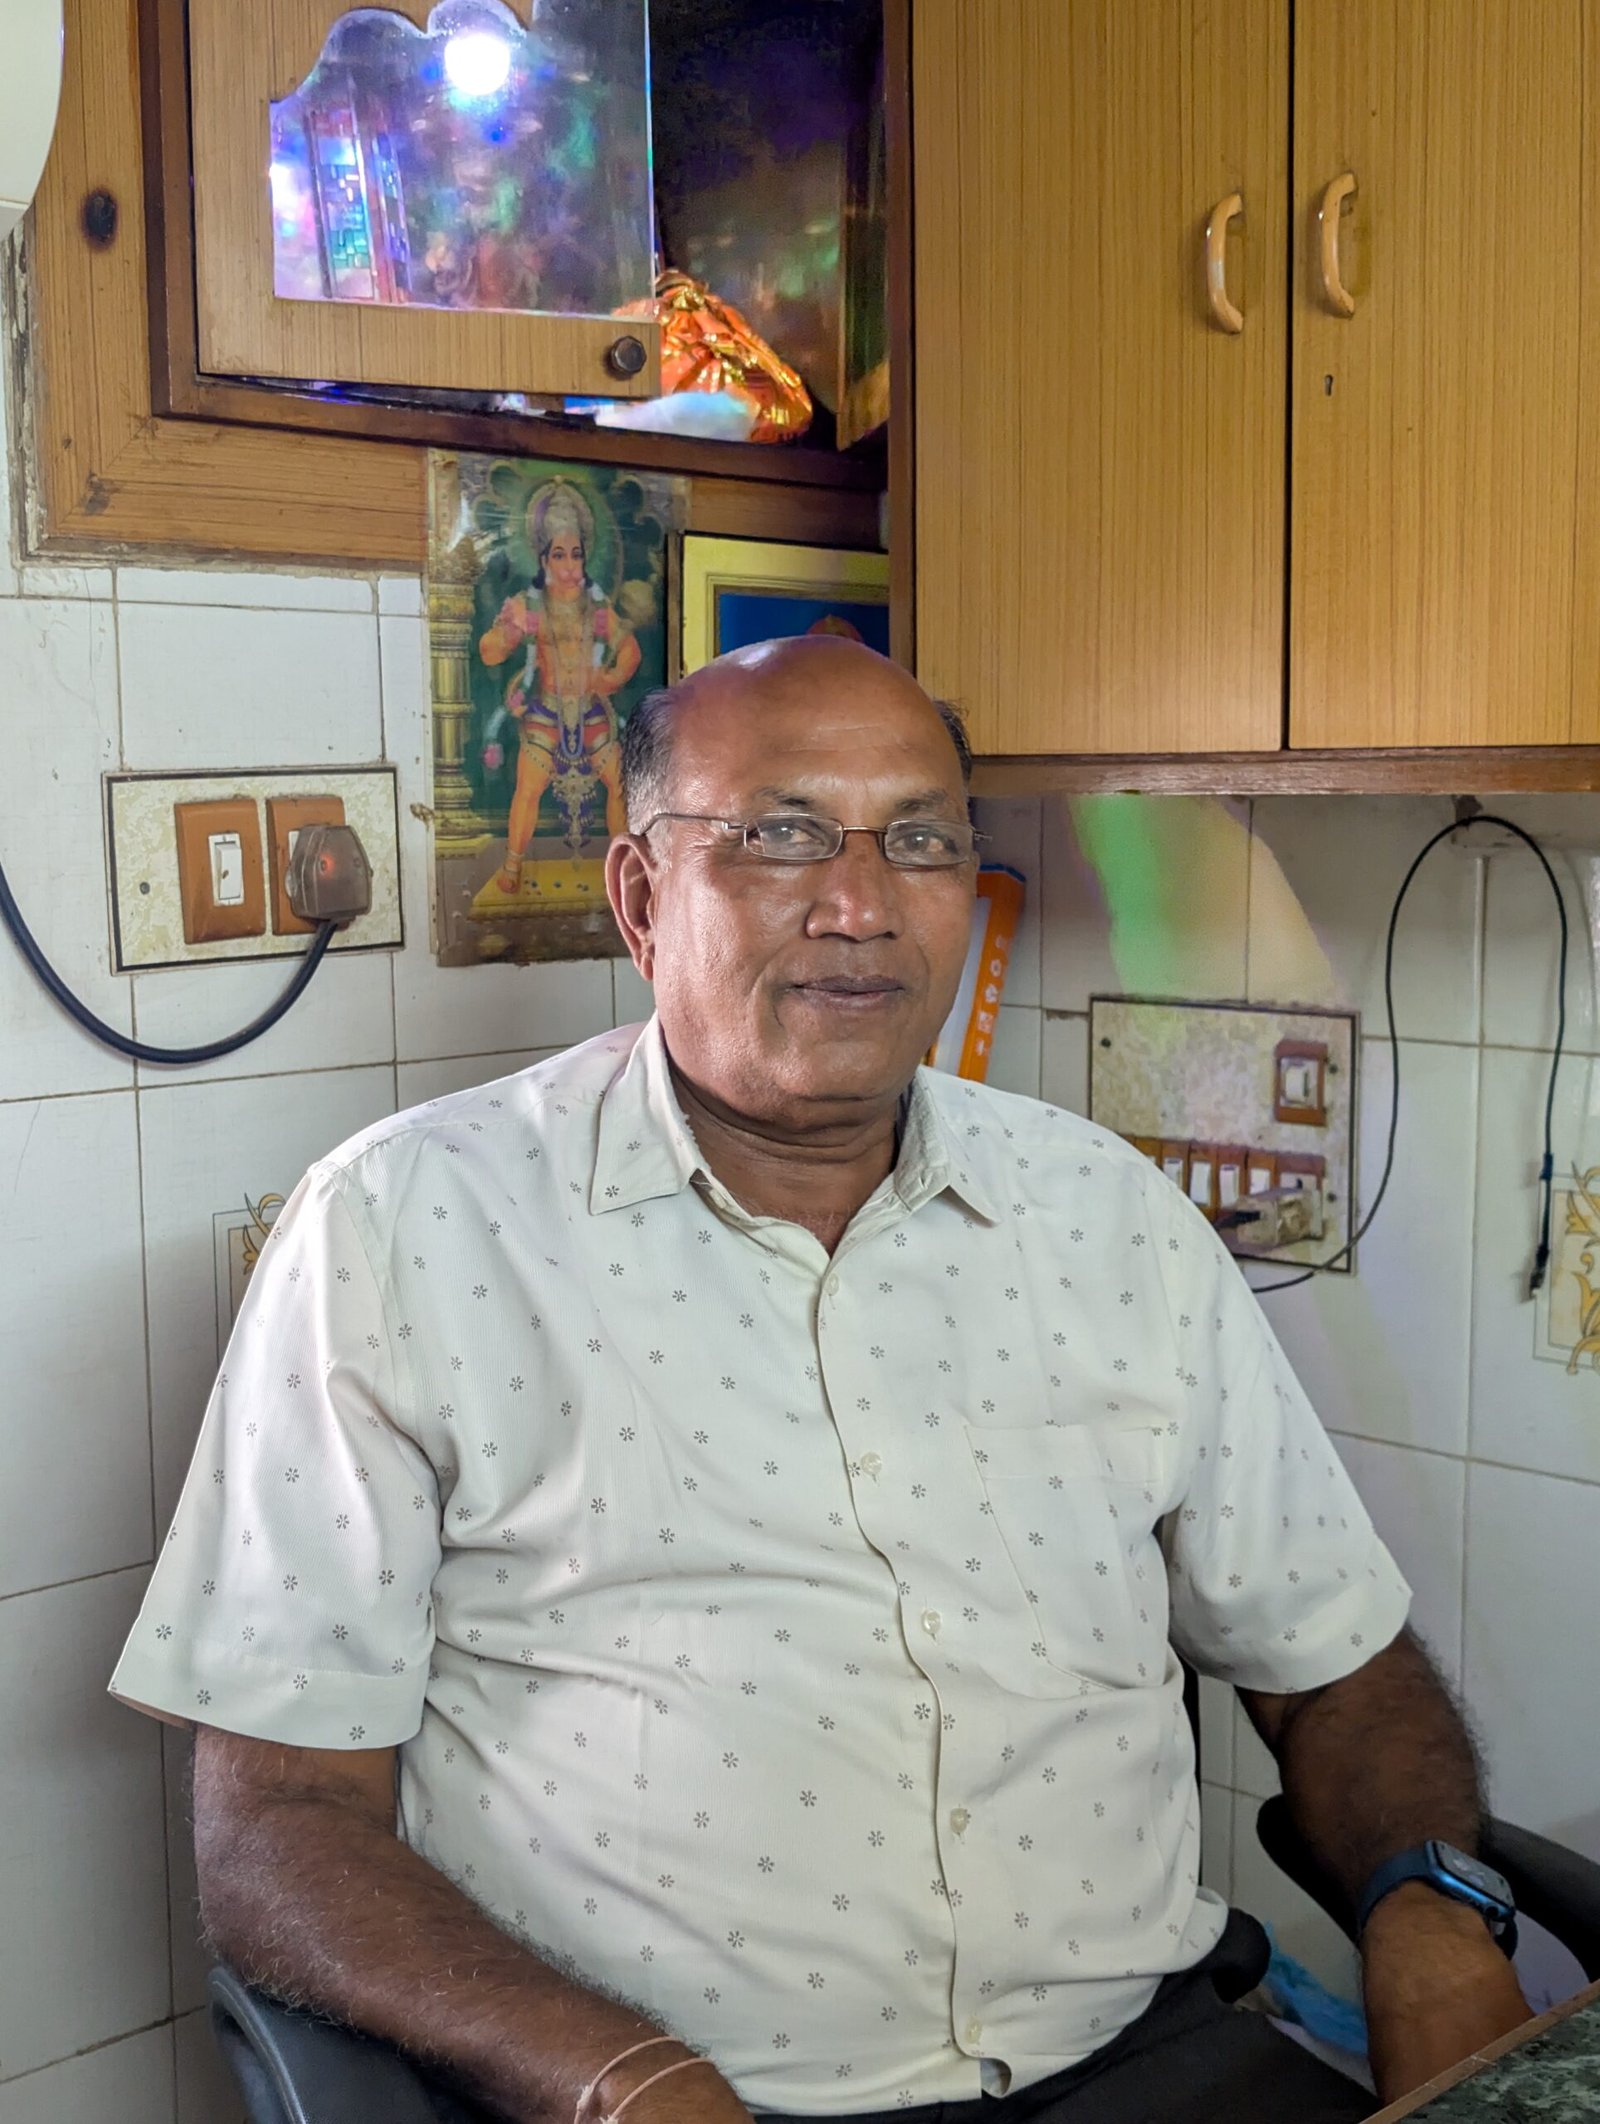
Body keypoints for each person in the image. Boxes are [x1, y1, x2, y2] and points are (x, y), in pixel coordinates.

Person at [110, 637, 1529, 2124]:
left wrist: (1431, 1912)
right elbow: (280, 1825)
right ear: (642, 898)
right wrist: (620, 2079)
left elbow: (1334, 1658)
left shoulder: (1107, 1215)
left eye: (919, 842)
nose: (860, 906)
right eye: (781, 836)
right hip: (660, 2097)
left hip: (1141, 2059)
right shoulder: (402, 1228)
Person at [478, 478, 639, 886]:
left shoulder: (599, 607)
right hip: (545, 711)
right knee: (527, 787)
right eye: (559, 555)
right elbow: (489, 652)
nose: (569, 565)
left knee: (620, 782)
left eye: (576, 555)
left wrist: (609, 679)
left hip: (591, 712)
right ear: (544, 559)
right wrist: (508, 631)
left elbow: (630, 651)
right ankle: (513, 866)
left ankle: (623, 869)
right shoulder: (528, 606)